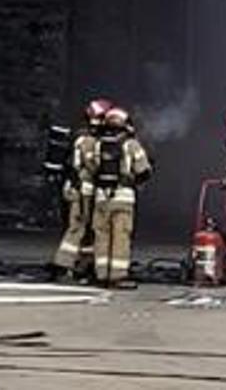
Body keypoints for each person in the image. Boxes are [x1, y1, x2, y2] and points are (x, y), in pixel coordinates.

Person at [87, 105, 152, 288]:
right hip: (123, 198)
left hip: (101, 197)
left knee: (101, 236)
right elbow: (143, 170)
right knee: (120, 237)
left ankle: (101, 274)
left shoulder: (98, 143)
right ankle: (117, 276)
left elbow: (92, 168)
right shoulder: (131, 144)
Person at [50, 98, 111, 282]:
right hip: (82, 191)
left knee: (85, 230)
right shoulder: (88, 141)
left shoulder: (78, 136)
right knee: (78, 228)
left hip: (76, 189)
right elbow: (93, 167)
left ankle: (81, 266)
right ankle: (63, 265)